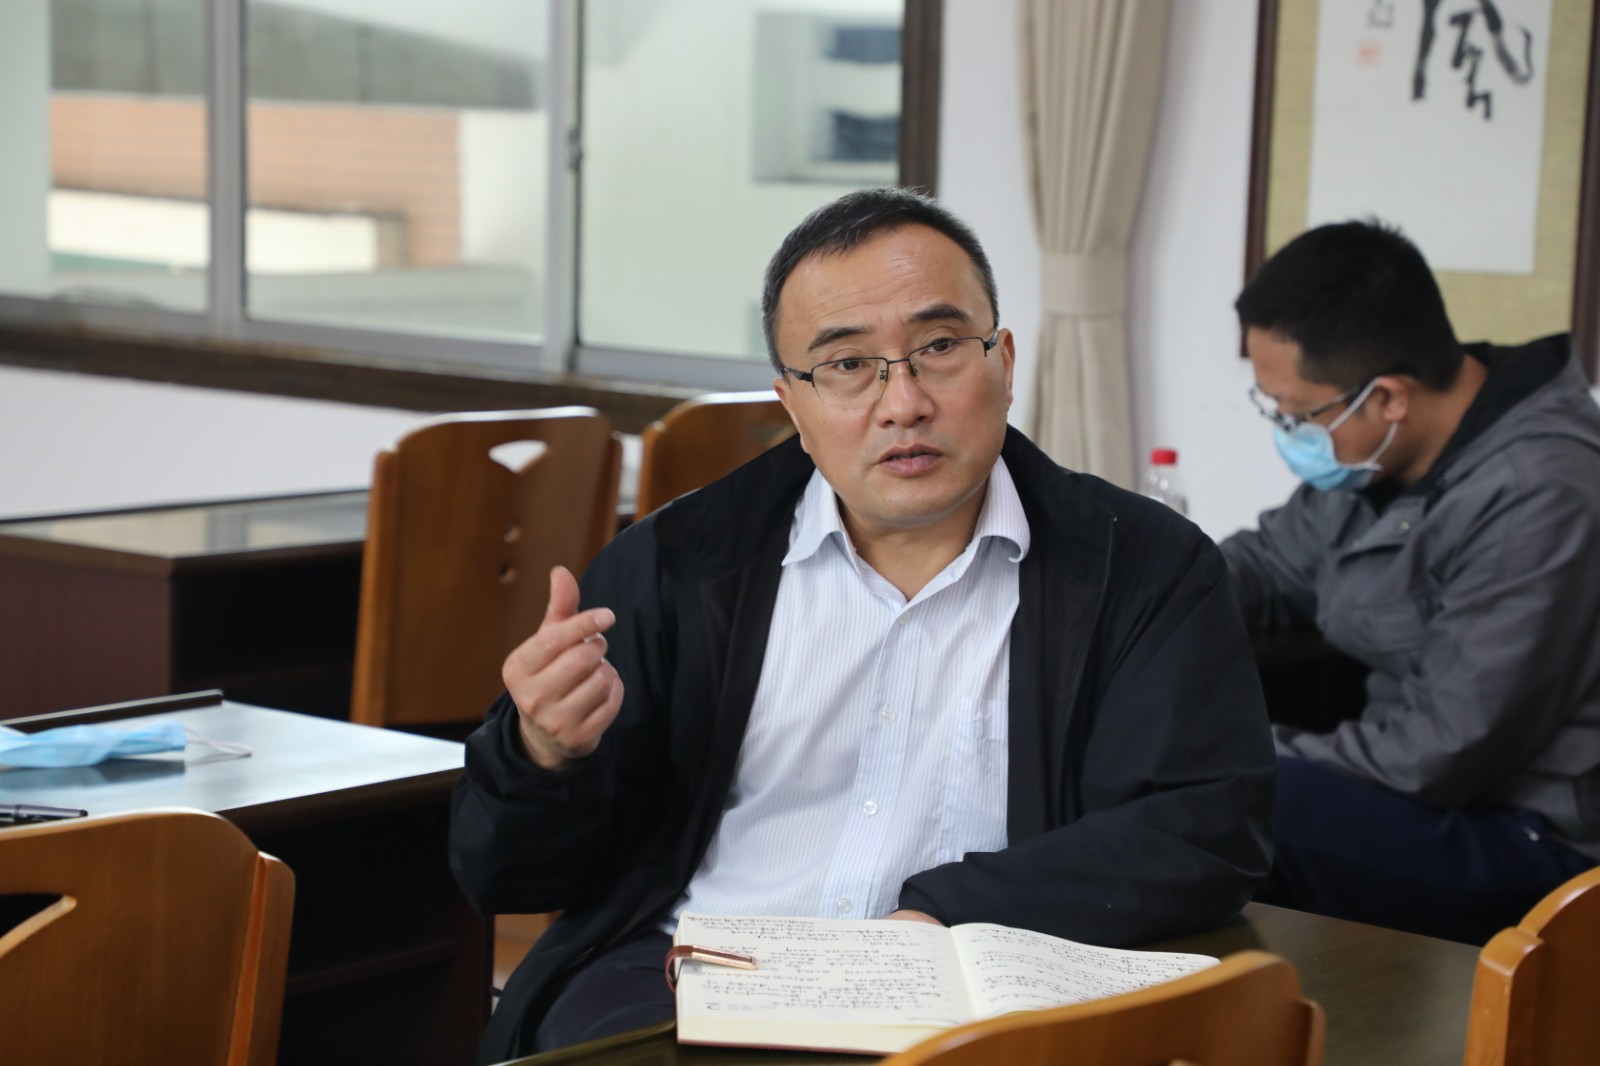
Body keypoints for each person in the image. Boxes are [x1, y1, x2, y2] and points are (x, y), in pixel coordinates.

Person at [450, 187, 1274, 1062]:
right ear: (792, 405)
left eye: (940, 347)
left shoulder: (1139, 566)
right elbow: (504, 874)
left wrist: (947, 912)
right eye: (847, 364)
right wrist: (542, 757)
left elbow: (1201, 829)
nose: (903, 402)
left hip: (976, 987)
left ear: (1004, 361)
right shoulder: (678, 564)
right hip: (687, 981)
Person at [1224, 219, 1600, 944]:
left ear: (1389, 399)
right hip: (1431, 793)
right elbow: (1266, 563)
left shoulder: (1540, 493)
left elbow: (1442, 749)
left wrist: (1233, 753)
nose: (1286, 431)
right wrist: (1135, 603)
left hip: (1534, 843)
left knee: (1241, 797)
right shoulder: (1378, 456)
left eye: (1297, 414)